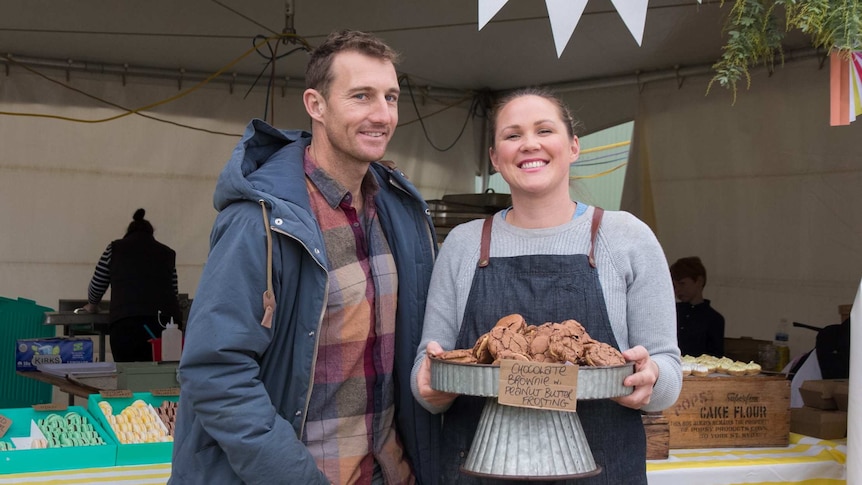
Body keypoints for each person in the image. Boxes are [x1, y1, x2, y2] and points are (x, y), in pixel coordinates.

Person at [170, 30, 440, 485]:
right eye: (362, 96)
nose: (382, 115)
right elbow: (215, 373)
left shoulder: (402, 211)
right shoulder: (260, 219)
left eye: (391, 98)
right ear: (316, 105)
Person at [411, 87, 682, 484]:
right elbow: (428, 368)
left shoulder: (627, 237)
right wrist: (431, 387)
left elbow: (668, 372)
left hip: (603, 470)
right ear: (494, 158)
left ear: (573, 147)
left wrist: (649, 380)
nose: (529, 145)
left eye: (544, 130)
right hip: (477, 469)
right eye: (512, 135)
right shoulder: (464, 244)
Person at [82, 208, 181, 362]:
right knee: (162, 378)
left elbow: (97, 284)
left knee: (128, 378)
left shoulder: (114, 249)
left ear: (128, 232)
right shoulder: (167, 253)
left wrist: (92, 305)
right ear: (151, 233)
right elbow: (174, 291)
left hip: (125, 325)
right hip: (164, 327)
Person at [670, 256, 725, 357]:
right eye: (674, 286)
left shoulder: (714, 319)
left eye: (682, 284)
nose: (677, 290)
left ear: (699, 281)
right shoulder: (671, 312)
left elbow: (715, 357)